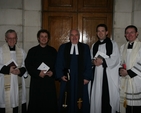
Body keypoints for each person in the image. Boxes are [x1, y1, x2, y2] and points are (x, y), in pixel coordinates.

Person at [55, 29, 93, 113]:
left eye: (76, 35)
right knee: (66, 101)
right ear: (69, 37)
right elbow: (58, 62)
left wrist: (87, 77)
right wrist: (61, 75)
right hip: (67, 80)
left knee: (81, 102)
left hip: (81, 80)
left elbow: (88, 63)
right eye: (72, 35)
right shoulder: (63, 47)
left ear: (79, 36)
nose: (74, 37)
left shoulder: (84, 47)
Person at [89, 24, 120, 113]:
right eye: (98, 31)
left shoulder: (113, 44)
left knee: (106, 97)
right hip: (96, 76)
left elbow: (115, 59)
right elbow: (91, 58)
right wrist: (93, 62)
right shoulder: (94, 45)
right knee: (97, 97)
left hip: (108, 75)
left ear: (106, 32)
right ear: (96, 33)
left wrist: (102, 61)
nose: (100, 33)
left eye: (102, 31)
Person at [25, 29, 57, 113]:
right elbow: (28, 65)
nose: (44, 38)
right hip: (37, 83)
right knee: (36, 106)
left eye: (46, 36)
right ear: (38, 38)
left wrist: (53, 72)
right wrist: (38, 73)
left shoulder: (53, 51)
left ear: (48, 38)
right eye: (42, 36)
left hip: (49, 83)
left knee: (49, 106)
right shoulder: (32, 51)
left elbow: (57, 65)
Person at [0, 29, 27, 113]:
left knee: (18, 105)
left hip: (17, 84)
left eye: (14, 38)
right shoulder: (0, 51)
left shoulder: (21, 52)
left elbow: (25, 66)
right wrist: (8, 69)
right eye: (9, 38)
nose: (12, 40)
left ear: (17, 38)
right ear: (6, 38)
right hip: (4, 85)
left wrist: (20, 71)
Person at [119, 25, 141, 113]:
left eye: (132, 32)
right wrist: (121, 69)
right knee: (127, 106)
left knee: (137, 107)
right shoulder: (123, 47)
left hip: (137, 79)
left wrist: (128, 72)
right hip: (126, 80)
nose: (129, 34)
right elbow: (120, 61)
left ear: (137, 33)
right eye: (127, 33)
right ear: (125, 35)